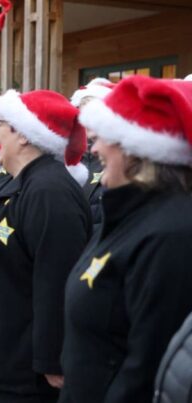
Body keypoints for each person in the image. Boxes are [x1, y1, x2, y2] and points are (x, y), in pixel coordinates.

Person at [60, 76, 192, 403]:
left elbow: (147, 367)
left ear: (137, 152)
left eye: (105, 138)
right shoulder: (130, 214)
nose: (94, 149)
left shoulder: (172, 235)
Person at [0, 89, 91, 402]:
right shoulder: (25, 183)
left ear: (24, 135)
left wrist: (52, 359)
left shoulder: (49, 192)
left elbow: (58, 280)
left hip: (24, 375)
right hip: (1, 361)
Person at [71, 77, 116, 232]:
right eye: (81, 117)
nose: (85, 125)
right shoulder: (70, 159)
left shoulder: (116, 161)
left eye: (92, 117)